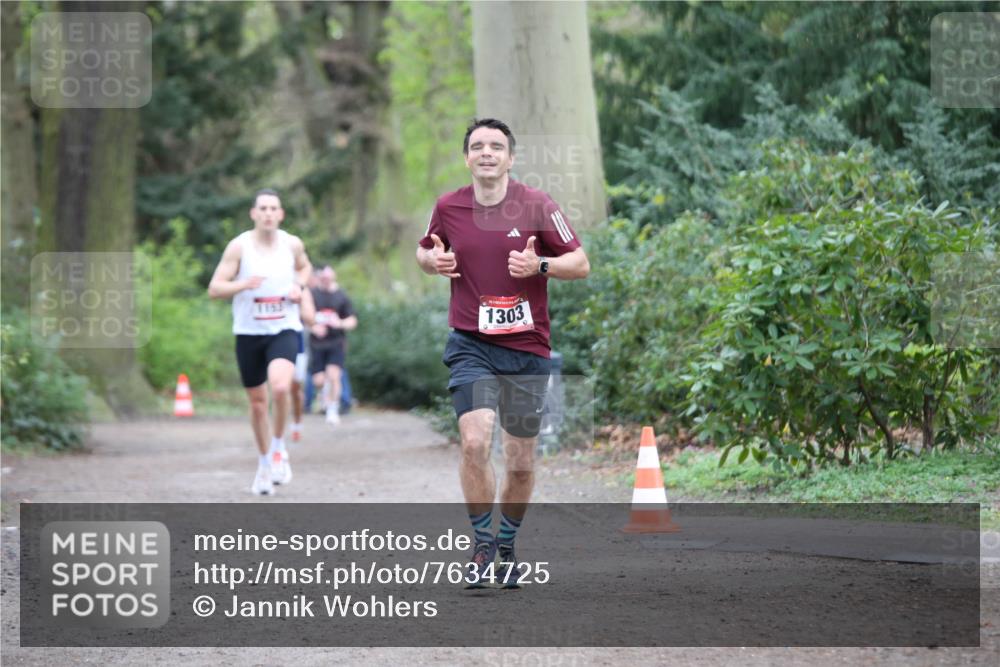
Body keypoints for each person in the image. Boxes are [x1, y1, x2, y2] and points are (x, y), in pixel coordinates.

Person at [416, 118, 590, 587]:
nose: (486, 152)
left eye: (496, 146)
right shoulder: (448, 206)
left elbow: (580, 263)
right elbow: (424, 251)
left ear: (511, 158)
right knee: (474, 442)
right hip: (471, 343)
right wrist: (433, 261)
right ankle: (482, 545)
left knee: (520, 462)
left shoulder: (537, 205)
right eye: (477, 146)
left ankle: (507, 544)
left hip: (527, 348)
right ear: (467, 158)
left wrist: (541, 265)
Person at [208, 188, 313, 495]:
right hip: (249, 332)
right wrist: (243, 284)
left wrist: (299, 286)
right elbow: (215, 288)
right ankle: (264, 464)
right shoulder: (239, 247)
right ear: (254, 213)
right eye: (263, 208)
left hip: (284, 328)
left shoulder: (292, 244)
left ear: (280, 214)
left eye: (273, 208)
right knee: (257, 404)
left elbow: (305, 267)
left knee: (280, 387)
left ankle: (279, 449)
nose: (268, 213)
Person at [308, 265, 358, 425]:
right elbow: (303, 316)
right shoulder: (312, 295)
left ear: (333, 277)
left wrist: (340, 323)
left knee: (334, 375)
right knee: (318, 380)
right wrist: (313, 327)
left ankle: (332, 409)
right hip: (317, 344)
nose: (326, 280)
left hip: (336, 342)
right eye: (323, 278)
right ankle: (324, 394)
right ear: (320, 278)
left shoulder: (341, 296)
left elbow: (353, 320)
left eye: (328, 278)